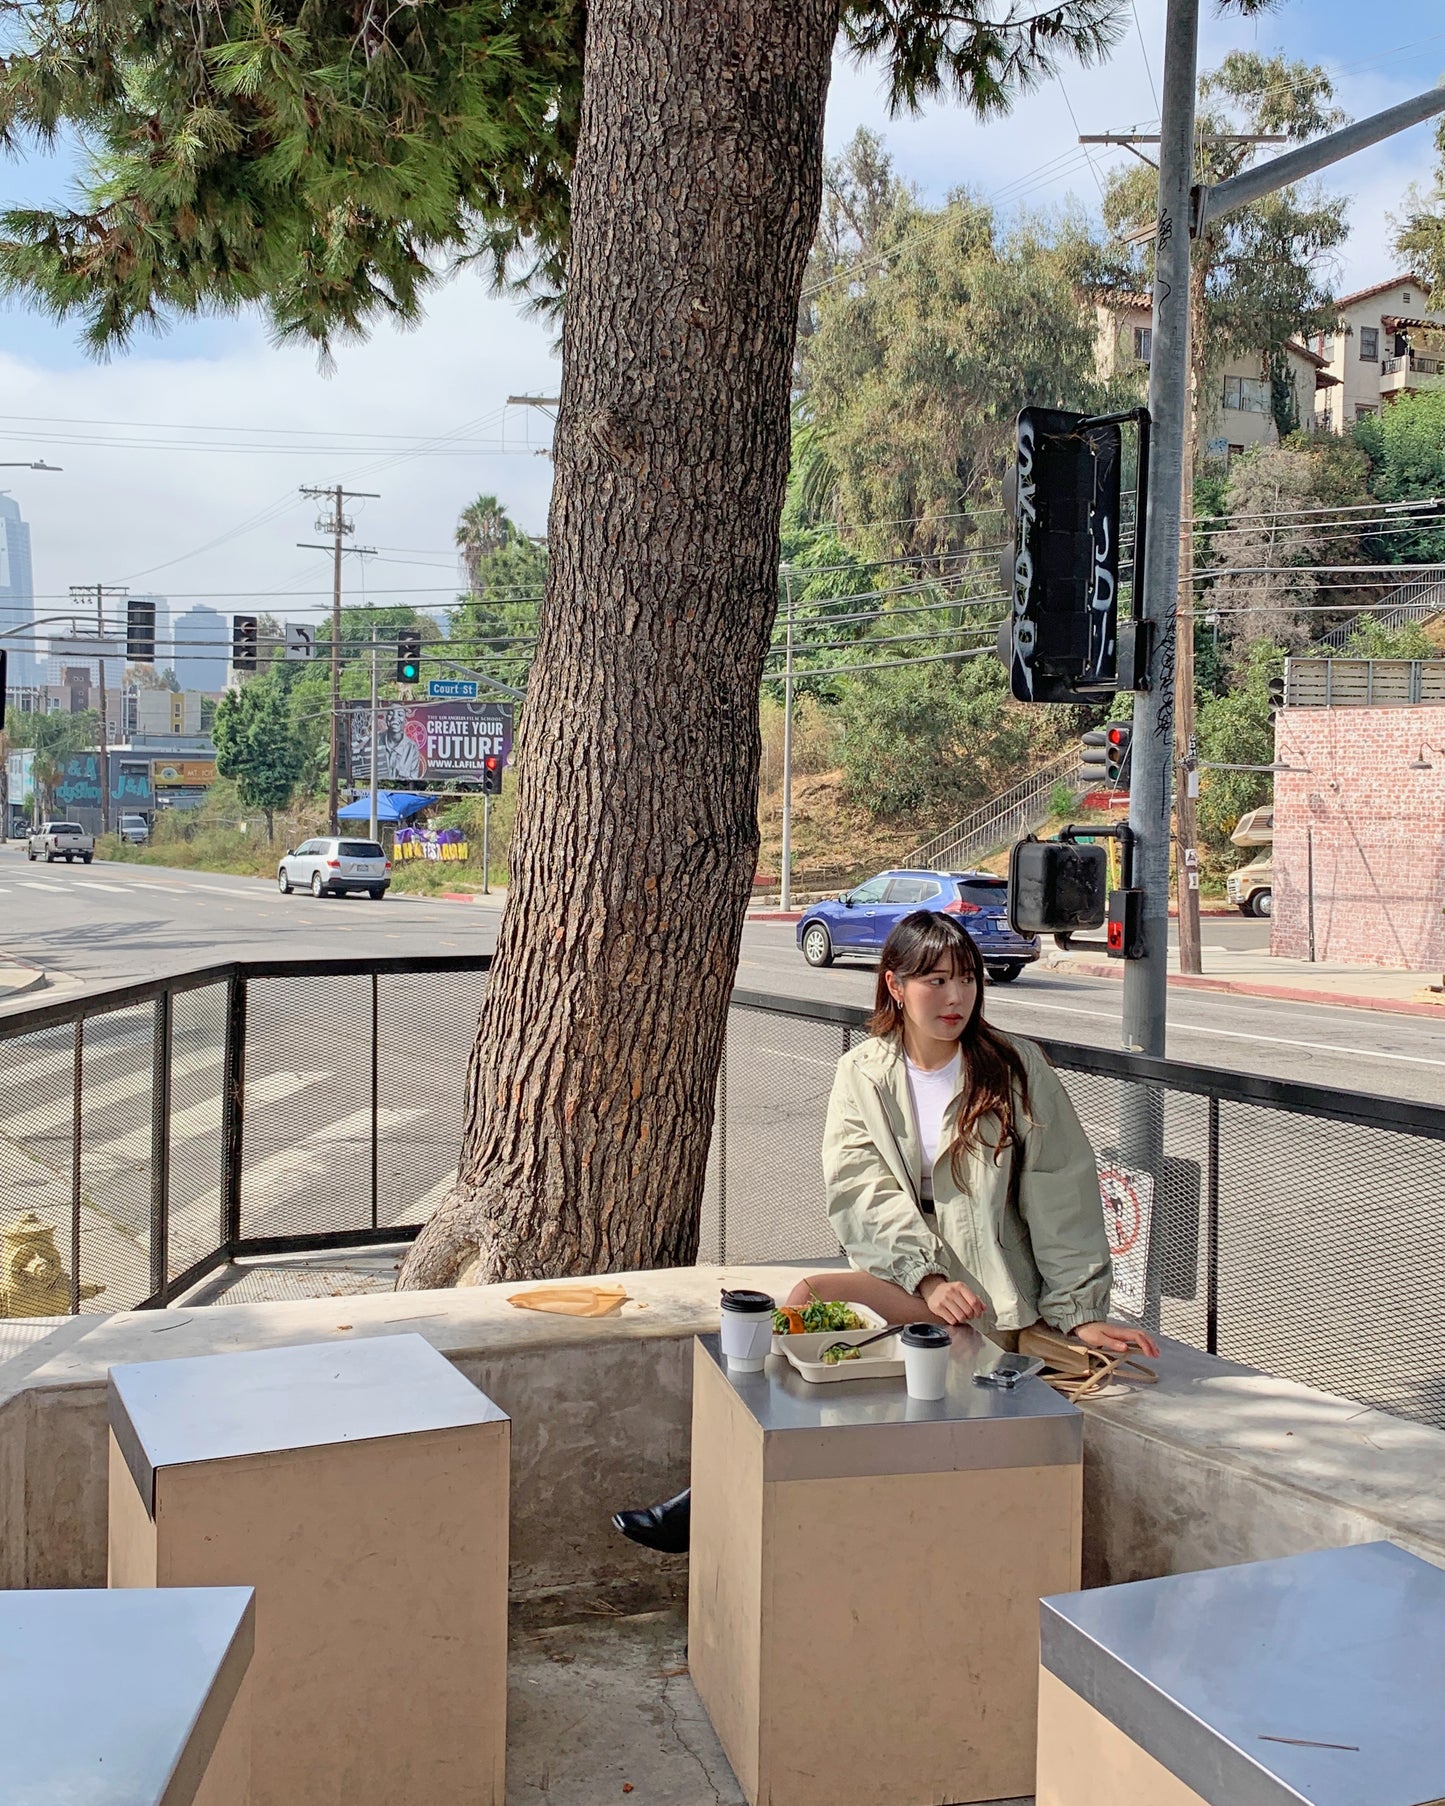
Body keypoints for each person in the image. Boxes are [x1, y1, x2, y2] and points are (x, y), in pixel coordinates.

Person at [613, 910, 1158, 1553]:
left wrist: (1077, 1312)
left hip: (993, 1293)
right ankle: (722, 1488)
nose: (955, 997)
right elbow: (859, 1191)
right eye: (934, 980)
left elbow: (1062, 1193)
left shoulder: (1015, 1068)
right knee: (803, 1313)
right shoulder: (863, 1072)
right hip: (915, 1279)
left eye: (966, 980)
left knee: (822, 1311)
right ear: (895, 985)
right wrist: (925, 1275)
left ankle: (715, 1500)